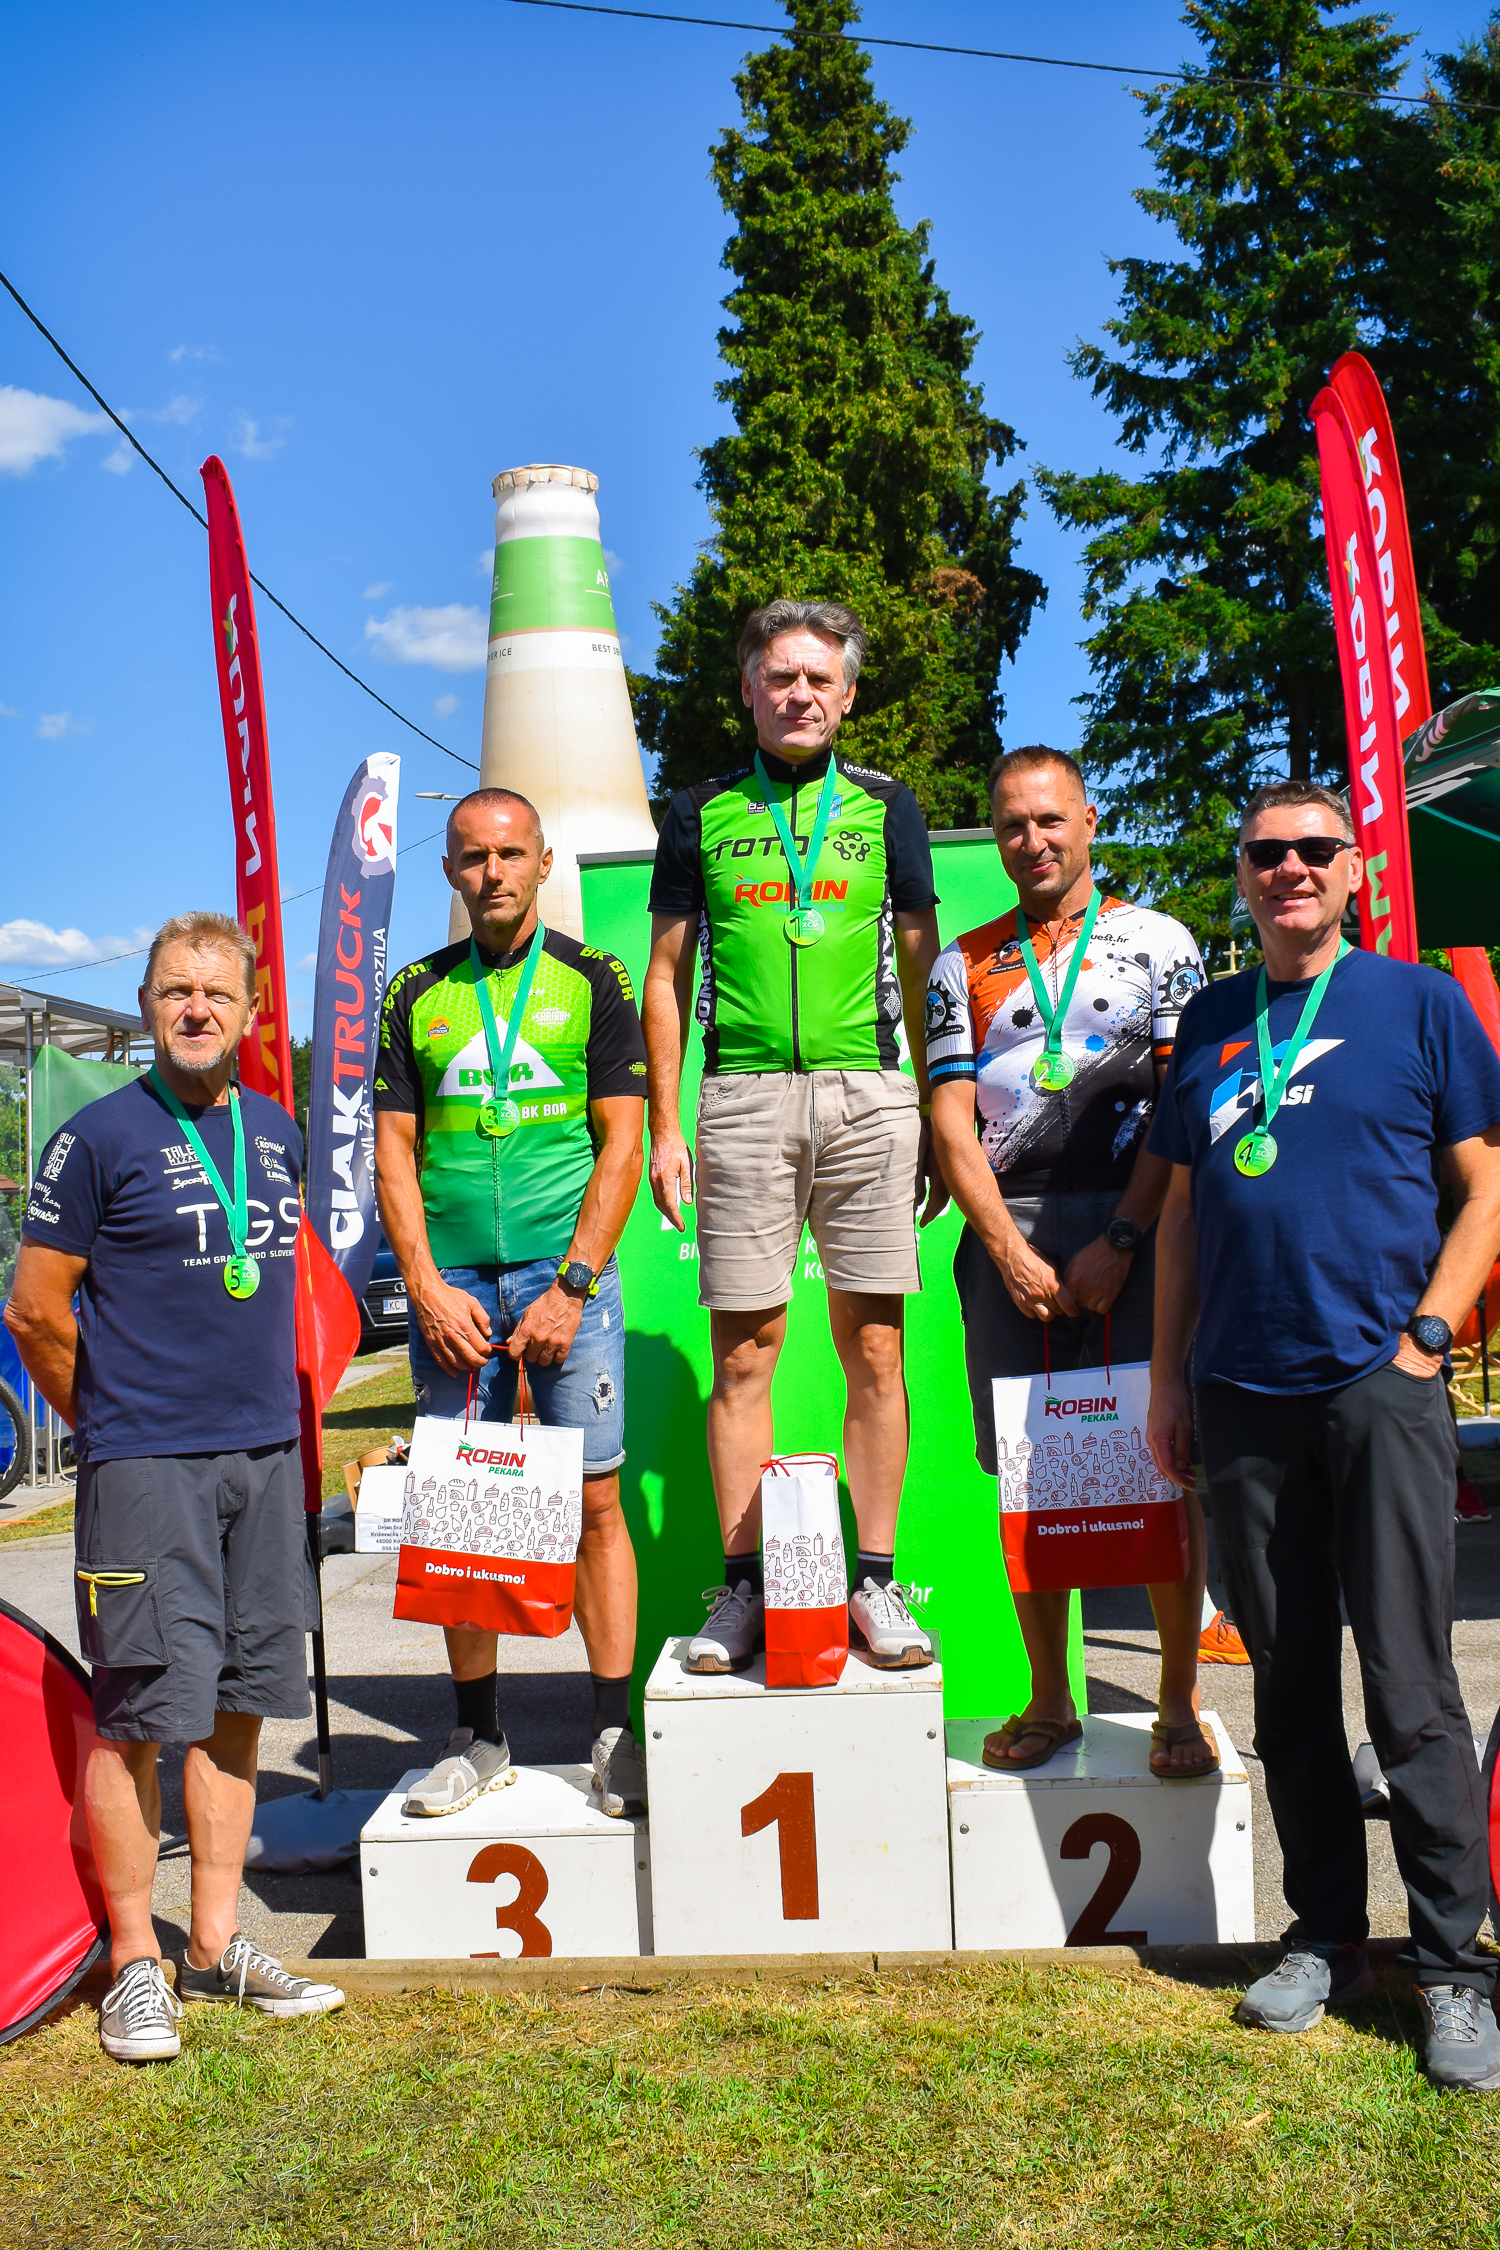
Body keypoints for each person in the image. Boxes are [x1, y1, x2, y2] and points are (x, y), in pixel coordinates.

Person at [1146, 780, 1500, 2091]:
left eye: (1314, 849)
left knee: (1411, 1687)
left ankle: (1454, 1968)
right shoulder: (1211, 1019)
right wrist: (1170, 1378)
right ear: (1241, 873)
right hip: (1241, 1392)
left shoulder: (1421, 1002)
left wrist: (1430, 1335)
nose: (1289, 868)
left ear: (1352, 870)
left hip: (1379, 1382)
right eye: (1266, 852)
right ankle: (1327, 1938)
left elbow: (1486, 1187)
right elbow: (1183, 1214)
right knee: (1288, 1682)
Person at [5, 912, 345, 2065]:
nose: (196, 1009)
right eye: (174, 992)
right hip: (145, 1468)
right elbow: (35, 1311)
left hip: (264, 1460)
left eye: (216, 992)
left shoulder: (277, 1131)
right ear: (149, 1006)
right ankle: (132, 1964)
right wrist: (109, 1426)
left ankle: (212, 1941)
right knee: (138, 1717)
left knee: (239, 1705)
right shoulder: (95, 1139)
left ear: (249, 1012)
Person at [643, 597, 940, 1672]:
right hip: (744, 1099)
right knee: (745, 1354)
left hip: (870, 1093)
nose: (800, 694)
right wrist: (666, 1125)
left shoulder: (888, 805)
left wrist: (928, 1103)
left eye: (820, 678)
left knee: (876, 1347)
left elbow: (922, 960)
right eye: (781, 677)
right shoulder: (700, 811)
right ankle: (743, 1589)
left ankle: (875, 1581)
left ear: (848, 694)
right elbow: (666, 975)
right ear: (748, 690)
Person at [926, 745, 1215, 1773]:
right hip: (1013, 1228)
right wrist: (1006, 1251)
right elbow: (949, 1120)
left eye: (1050, 820)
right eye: (1012, 824)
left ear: (1089, 820)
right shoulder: (961, 962)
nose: (1032, 840)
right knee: (1033, 1469)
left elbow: (1185, 1106)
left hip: (1142, 1220)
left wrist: (1126, 1237)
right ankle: (1051, 1697)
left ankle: (1177, 1700)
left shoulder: (1160, 941)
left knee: (1163, 1459)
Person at [374, 787, 648, 1818]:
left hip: (563, 1278)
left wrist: (573, 1285)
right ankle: (477, 1734)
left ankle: (612, 1731)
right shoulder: (415, 992)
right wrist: (424, 1288)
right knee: (463, 1511)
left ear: (542, 862)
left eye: (509, 853)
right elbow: (391, 1154)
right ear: (449, 870)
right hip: (453, 1289)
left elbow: (622, 1142)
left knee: (596, 1503)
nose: (492, 872)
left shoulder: (594, 978)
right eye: (472, 856)